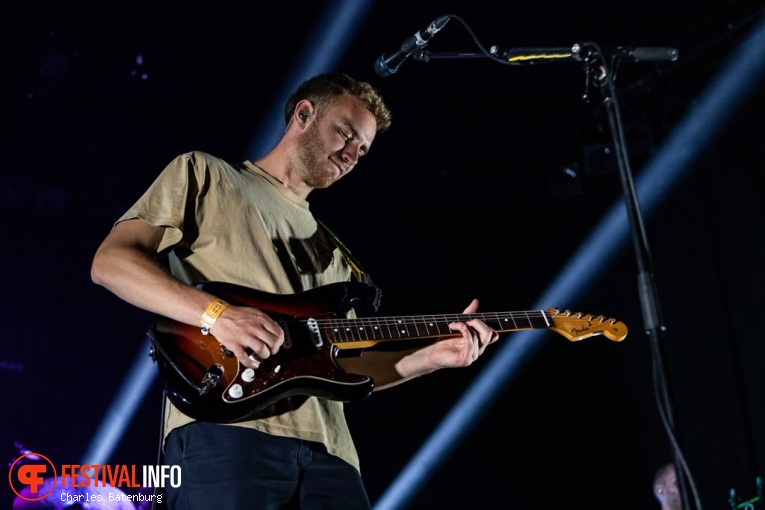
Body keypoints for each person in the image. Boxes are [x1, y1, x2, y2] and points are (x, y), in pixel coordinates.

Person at [90, 72, 499, 509]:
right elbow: (111, 263)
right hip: (228, 432)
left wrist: (434, 356)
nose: (351, 155)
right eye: (345, 134)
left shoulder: (342, 262)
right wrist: (217, 314)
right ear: (304, 114)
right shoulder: (206, 174)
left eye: (362, 151)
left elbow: (352, 367)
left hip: (332, 459)